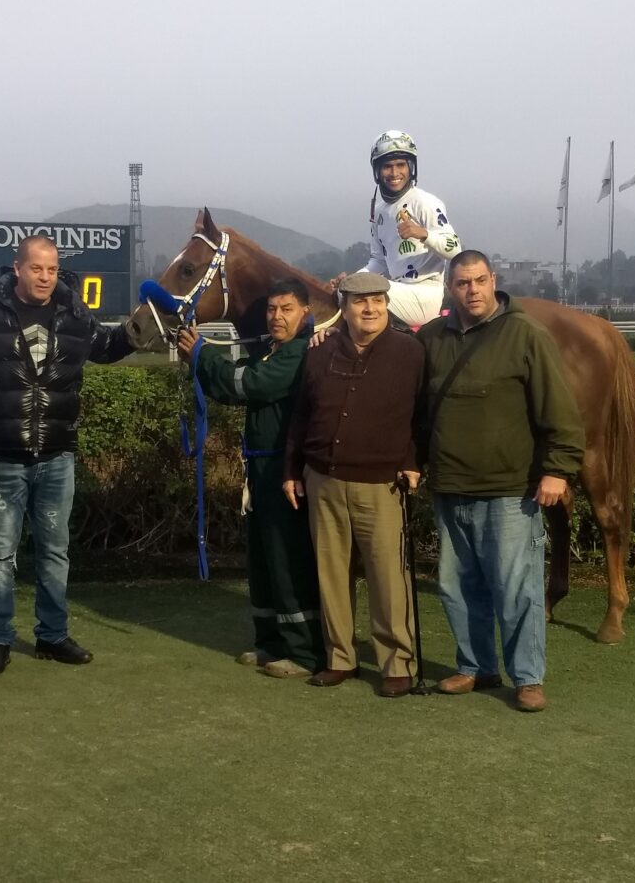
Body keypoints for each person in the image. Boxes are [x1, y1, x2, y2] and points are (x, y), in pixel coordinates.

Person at [416, 250, 584, 712]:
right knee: (457, 587)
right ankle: (476, 667)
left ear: (493, 281)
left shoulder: (527, 334)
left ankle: (527, 678)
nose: (472, 290)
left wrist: (558, 470)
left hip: (511, 489)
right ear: (450, 288)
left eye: (479, 280)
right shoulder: (431, 338)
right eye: (462, 283)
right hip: (450, 485)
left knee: (517, 589)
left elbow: (560, 410)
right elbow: (415, 411)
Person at [0, 235, 134, 675]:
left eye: (52, 269)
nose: (45, 277)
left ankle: (52, 635)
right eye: (37, 268)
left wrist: (145, 326)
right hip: (1, 456)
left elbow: (108, 348)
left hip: (58, 456)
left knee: (55, 552)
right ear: (17, 267)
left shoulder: (75, 312)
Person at [176, 277, 325, 679]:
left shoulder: (299, 353)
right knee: (261, 559)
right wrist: (197, 363)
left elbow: (254, 384)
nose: (276, 316)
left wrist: (204, 355)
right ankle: (270, 642)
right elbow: (234, 388)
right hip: (259, 468)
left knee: (287, 558)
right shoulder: (271, 350)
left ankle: (304, 653)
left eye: (286, 309)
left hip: (285, 470)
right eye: (272, 309)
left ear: (305, 313)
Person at [283, 272, 424, 698]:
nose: (370, 308)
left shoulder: (410, 352)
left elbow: (423, 414)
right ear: (343, 308)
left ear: (387, 305)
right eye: (361, 301)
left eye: (378, 300)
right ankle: (339, 658)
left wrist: (412, 461)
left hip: (381, 484)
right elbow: (301, 415)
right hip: (323, 480)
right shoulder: (319, 351)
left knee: (388, 578)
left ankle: (397, 662)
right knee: (331, 575)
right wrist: (291, 469)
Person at [330, 130, 463, 327]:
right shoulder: (379, 211)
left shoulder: (424, 202)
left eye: (401, 165)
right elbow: (378, 261)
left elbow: (455, 250)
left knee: (361, 293)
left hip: (424, 296)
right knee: (345, 291)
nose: (394, 173)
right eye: (387, 166)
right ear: (377, 171)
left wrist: (424, 234)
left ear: (411, 167)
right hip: (397, 290)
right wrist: (354, 279)